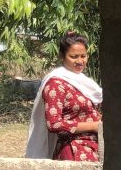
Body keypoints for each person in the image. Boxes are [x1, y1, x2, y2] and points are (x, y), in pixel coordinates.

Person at [25, 31, 103, 161]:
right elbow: (54, 124)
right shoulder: (56, 83)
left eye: (83, 56)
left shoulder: (86, 83)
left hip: (93, 148)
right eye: (74, 56)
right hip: (74, 152)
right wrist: (94, 126)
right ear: (62, 56)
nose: (80, 61)